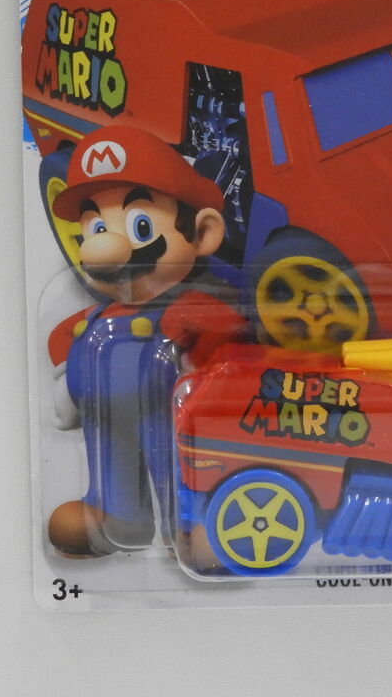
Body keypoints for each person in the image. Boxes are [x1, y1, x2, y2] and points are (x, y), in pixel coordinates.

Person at [44, 126, 246, 559]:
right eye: (96, 227)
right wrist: (70, 382)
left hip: (170, 412)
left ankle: (194, 523)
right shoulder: (97, 316)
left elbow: (229, 344)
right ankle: (115, 518)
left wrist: (198, 334)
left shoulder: (195, 306)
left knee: (178, 463)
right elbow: (65, 341)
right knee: (110, 459)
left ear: (203, 233)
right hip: (105, 415)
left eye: (140, 226)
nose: (104, 246)